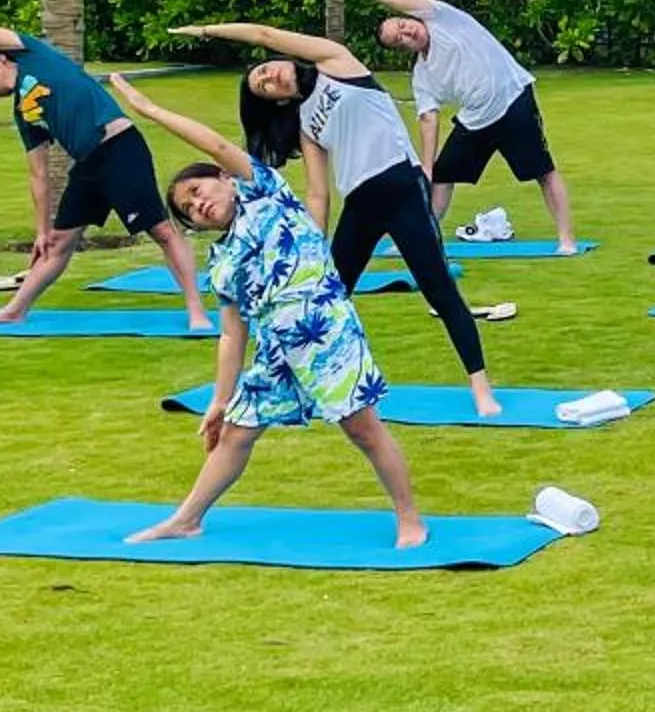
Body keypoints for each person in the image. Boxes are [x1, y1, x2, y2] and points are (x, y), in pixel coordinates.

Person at [104, 73, 425, 548]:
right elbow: (232, 335)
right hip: (276, 347)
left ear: (225, 179)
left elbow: (213, 141)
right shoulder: (222, 263)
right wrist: (218, 399)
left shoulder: (263, 191)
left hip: (325, 328)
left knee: (363, 428)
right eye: (189, 210)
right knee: (235, 431)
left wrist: (149, 111)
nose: (199, 205)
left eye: (199, 191)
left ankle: (409, 518)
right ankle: (187, 519)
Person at [180, 20, 501, 419]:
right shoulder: (304, 122)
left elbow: (263, 35)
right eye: (264, 87)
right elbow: (318, 192)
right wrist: (310, 245)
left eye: (265, 71)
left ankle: (481, 388)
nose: (270, 78)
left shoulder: (337, 63)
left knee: (437, 286)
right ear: (277, 101)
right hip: (361, 203)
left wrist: (210, 31)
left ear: (280, 60)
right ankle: (304, 383)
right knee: (325, 294)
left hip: (402, 185)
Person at [0, 21, 207, 329]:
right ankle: (14, 311)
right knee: (57, 243)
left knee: (162, 232)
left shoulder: (33, 53)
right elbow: (38, 173)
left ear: (1, 58)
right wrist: (41, 229)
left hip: (119, 148)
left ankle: (197, 312)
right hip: (88, 164)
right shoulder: (24, 113)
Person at [313, 0, 578, 252]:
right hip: (476, 119)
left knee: (544, 172)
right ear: (400, 49)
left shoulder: (442, 18)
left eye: (403, 25)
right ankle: (423, 240)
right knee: (441, 176)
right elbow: (428, 118)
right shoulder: (423, 75)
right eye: (398, 40)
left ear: (410, 18)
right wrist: (426, 166)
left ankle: (566, 240)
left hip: (513, 100)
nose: (406, 33)